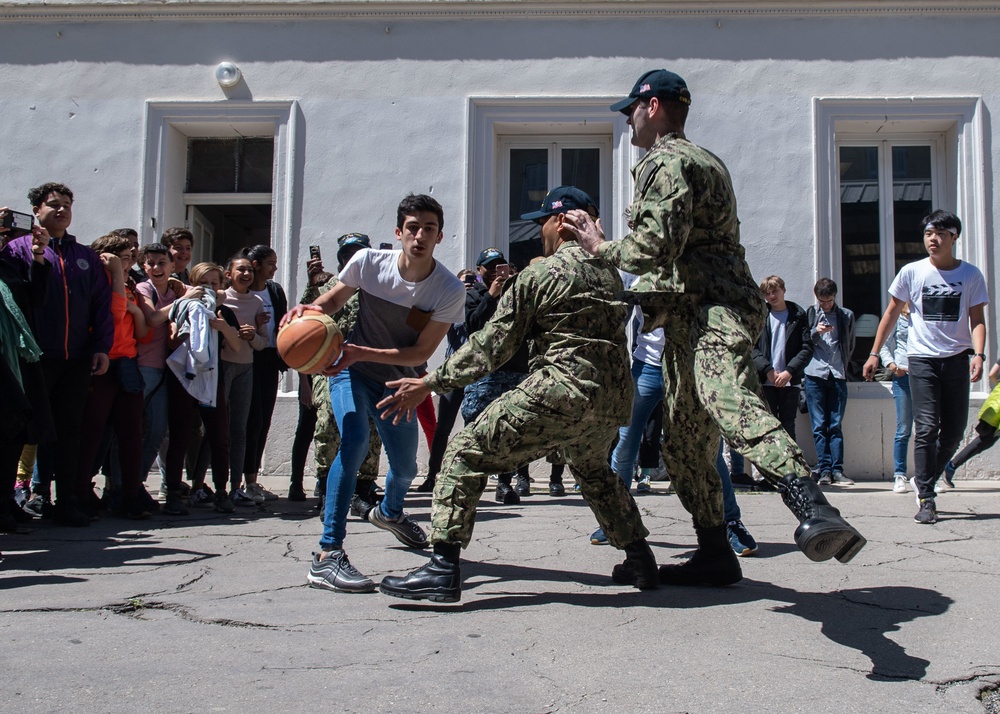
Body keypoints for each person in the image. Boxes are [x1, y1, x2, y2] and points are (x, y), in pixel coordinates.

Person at [563, 69, 866, 584]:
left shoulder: (664, 161)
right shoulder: (706, 160)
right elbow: (681, 254)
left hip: (714, 312)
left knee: (729, 399)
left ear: (652, 106)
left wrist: (599, 245)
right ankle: (714, 552)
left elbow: (653, 247)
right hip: (690, 316)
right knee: (684, 444)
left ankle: (814, 508)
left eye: (630, 110)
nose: (627, 120)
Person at [376, 186, 657, 603]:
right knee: (595, 472)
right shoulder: (612, 272)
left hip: (563, 388)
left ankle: (443, 568)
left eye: (542, 221)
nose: (538, 231)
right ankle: (640, 558)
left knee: (464, 452)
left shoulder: (540, 275)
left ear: (559, 222)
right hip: (612, 399)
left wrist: (430, 383)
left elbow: (493, 344)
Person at [288, 194, 466, 594]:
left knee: (405, 471)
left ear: (439, 236)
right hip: (349, 372)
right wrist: (305, 315)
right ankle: (327, 555)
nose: (420, 236)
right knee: (352, 442)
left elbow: (422, 352)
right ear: (398, 232)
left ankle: (389, 512)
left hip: (400, 385)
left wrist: (359, 351)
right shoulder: (368, 263)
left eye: (429, 229)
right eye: (413, 227)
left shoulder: (447, 289)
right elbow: (331, 301)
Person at [863, 210, 988, 524]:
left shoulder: (971, 275)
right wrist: (875, 352)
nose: (933, 240)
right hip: (922, 360)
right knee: (927, 427)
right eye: (929, 234)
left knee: (955, 431)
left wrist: (979, 355)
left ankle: (929, 477)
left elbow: (977, 320)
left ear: (953, 237)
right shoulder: (911, 272)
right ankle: (927, 497)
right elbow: (891, 314)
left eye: (940, 234)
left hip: (958, 359)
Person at [2, 183, 114, 527]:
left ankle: (68, 501)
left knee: (69, 431)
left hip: (76, 357)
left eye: (67, 204)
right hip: (32, 358)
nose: (61, 210)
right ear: (37, 210)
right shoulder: (17, 250)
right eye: (53, 205)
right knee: (17, 431)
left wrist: (101, 348)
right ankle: (10, 504)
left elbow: (101, 304)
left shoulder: (86, 256)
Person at [462, 247, 532, 503]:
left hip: (515, 370)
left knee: (509, 430)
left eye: (499, 267)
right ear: (480, 271)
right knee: (476, 427)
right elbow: (472, 325)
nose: (495, 273)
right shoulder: (473, 294)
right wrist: (491, 297)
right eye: (489, 268)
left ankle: (504, 484)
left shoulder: (516, 293)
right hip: (486, 373)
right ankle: (470, 481)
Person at [416, 269, 473, 494]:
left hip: (477, 372)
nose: (468, 285)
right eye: (463, 282)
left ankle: (472, 475)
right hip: (454, 371)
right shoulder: (451, 304)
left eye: (472, 281)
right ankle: (433, 475)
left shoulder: (483, 302)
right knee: (443, 427)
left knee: (476, 425)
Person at [243, 244, 288, 502]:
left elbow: (282, 322)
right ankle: (241, 480)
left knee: (264, 422)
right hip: (248, 359)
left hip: (270, 359)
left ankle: (253, 480)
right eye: (270, 263)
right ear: (256, 264)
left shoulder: (274, 290)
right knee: (251, 420)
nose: (275, 268)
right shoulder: (243, 291)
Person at [804, 278, 856, 486]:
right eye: (822, 301)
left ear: (835, 297)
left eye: (829, 301)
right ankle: (824, 470)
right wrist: (817, 331)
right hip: (814, 374)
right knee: (819, 426)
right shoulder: (811, 314)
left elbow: (850, 343)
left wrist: (844, 365)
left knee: (835, 424)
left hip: (837, 373)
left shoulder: (846, 315)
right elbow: (804, 342)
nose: (825, 305)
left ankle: (838, 470)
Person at [752, 275, 813, 440]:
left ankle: (791, 464)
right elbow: (752, 347)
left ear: (783, 290)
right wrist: (767, 370)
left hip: (789, 381)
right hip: (766, 382)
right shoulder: (761, 316)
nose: (772, 296)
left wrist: (789, 371)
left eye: (775, 291)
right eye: (767, 293)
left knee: (788, 426)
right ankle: (770, 464)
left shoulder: (798, 315)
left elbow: (806, 348)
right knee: (768, 426)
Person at [879, 305, 914, 494]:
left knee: (929, 428)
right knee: (904, 428)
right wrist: (892, 365)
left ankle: (930, 475)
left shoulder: (925, 314)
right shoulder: (898, 317)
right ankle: (899, 474)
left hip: (925, 375)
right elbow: (883, 344)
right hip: (903, 377)